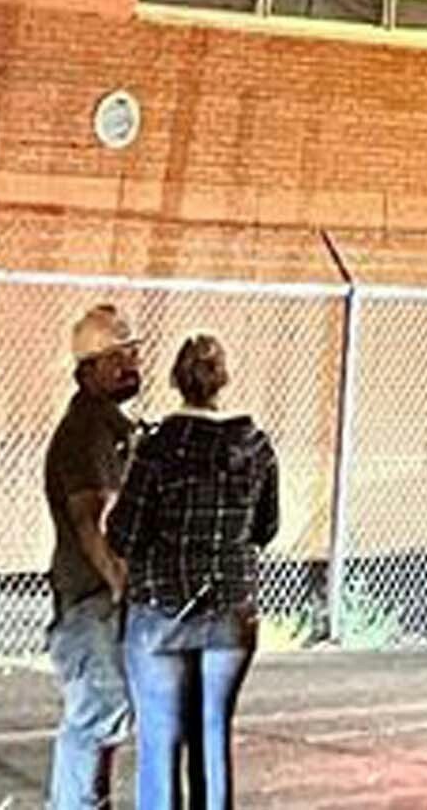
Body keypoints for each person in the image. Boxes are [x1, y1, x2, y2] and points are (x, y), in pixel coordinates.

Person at [105, 332, 279, 810]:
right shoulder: (256, 449)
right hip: (231, 605)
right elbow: (266, 528)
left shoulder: (157, 449)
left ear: (176, 381)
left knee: (160, 739)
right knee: (212, 732)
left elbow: (123, 535)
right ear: (223, 381)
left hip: (162, 605)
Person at [39, 302, 145, 810]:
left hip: (100, 601)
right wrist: (122, 584)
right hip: (93, 600)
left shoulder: (114, 429)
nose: (131, 365)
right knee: (98, 714)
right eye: (117, 357)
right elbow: (92, 521)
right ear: (88, 369)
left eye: (133, 353)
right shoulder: (88, 433)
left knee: (111, 714)